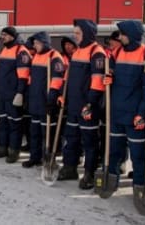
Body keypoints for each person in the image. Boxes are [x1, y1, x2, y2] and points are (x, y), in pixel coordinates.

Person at [104, 20, 145, 199]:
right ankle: (111, 182)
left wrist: (142, 113)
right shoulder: (116, 53)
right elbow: (111, 73)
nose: (120, 37)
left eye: (123, 34)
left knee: (138, 155)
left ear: (132, 34)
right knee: (114, 152)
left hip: (135, 115)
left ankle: (140, 187)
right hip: (116, 112)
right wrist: (109, 78)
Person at [57, 20, 106, 190]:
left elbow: (98, 81)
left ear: (87, 33)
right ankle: (70, 167)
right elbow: (69, 77)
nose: (75, 36)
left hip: (87, 106)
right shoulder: (78, 52)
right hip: (73, 105)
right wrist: (64, 95)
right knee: (71, 138)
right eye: (75, 33)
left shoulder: (96, 52)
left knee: (90, 141)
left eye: (78, 33)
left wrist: (91, 103)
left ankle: (89, 173)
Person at [22, 31, 64, 168]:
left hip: (46, 101)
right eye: (34, 43)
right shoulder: (36, 57)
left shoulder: (54, 57)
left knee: (47, 134)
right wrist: (28, 96)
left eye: (37, 43)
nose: (35, 46)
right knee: (34, 132)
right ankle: (35, 157)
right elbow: (31, 79)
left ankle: (49, 159)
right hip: (35, 100)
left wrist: (51, 99)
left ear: (44, 43)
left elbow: (57, 80)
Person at [0, 27, 31, 164]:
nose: (3, 37)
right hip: (2, 93)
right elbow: (1, 69)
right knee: (3, 122)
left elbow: (23, 75)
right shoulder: (4, 50)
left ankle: (14, 150)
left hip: (13, 95)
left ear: (13, 36)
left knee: (15, 124)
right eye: (2, 35)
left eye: (6, 35)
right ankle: (3, 147)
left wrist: (20, 93)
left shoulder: (21, 51)